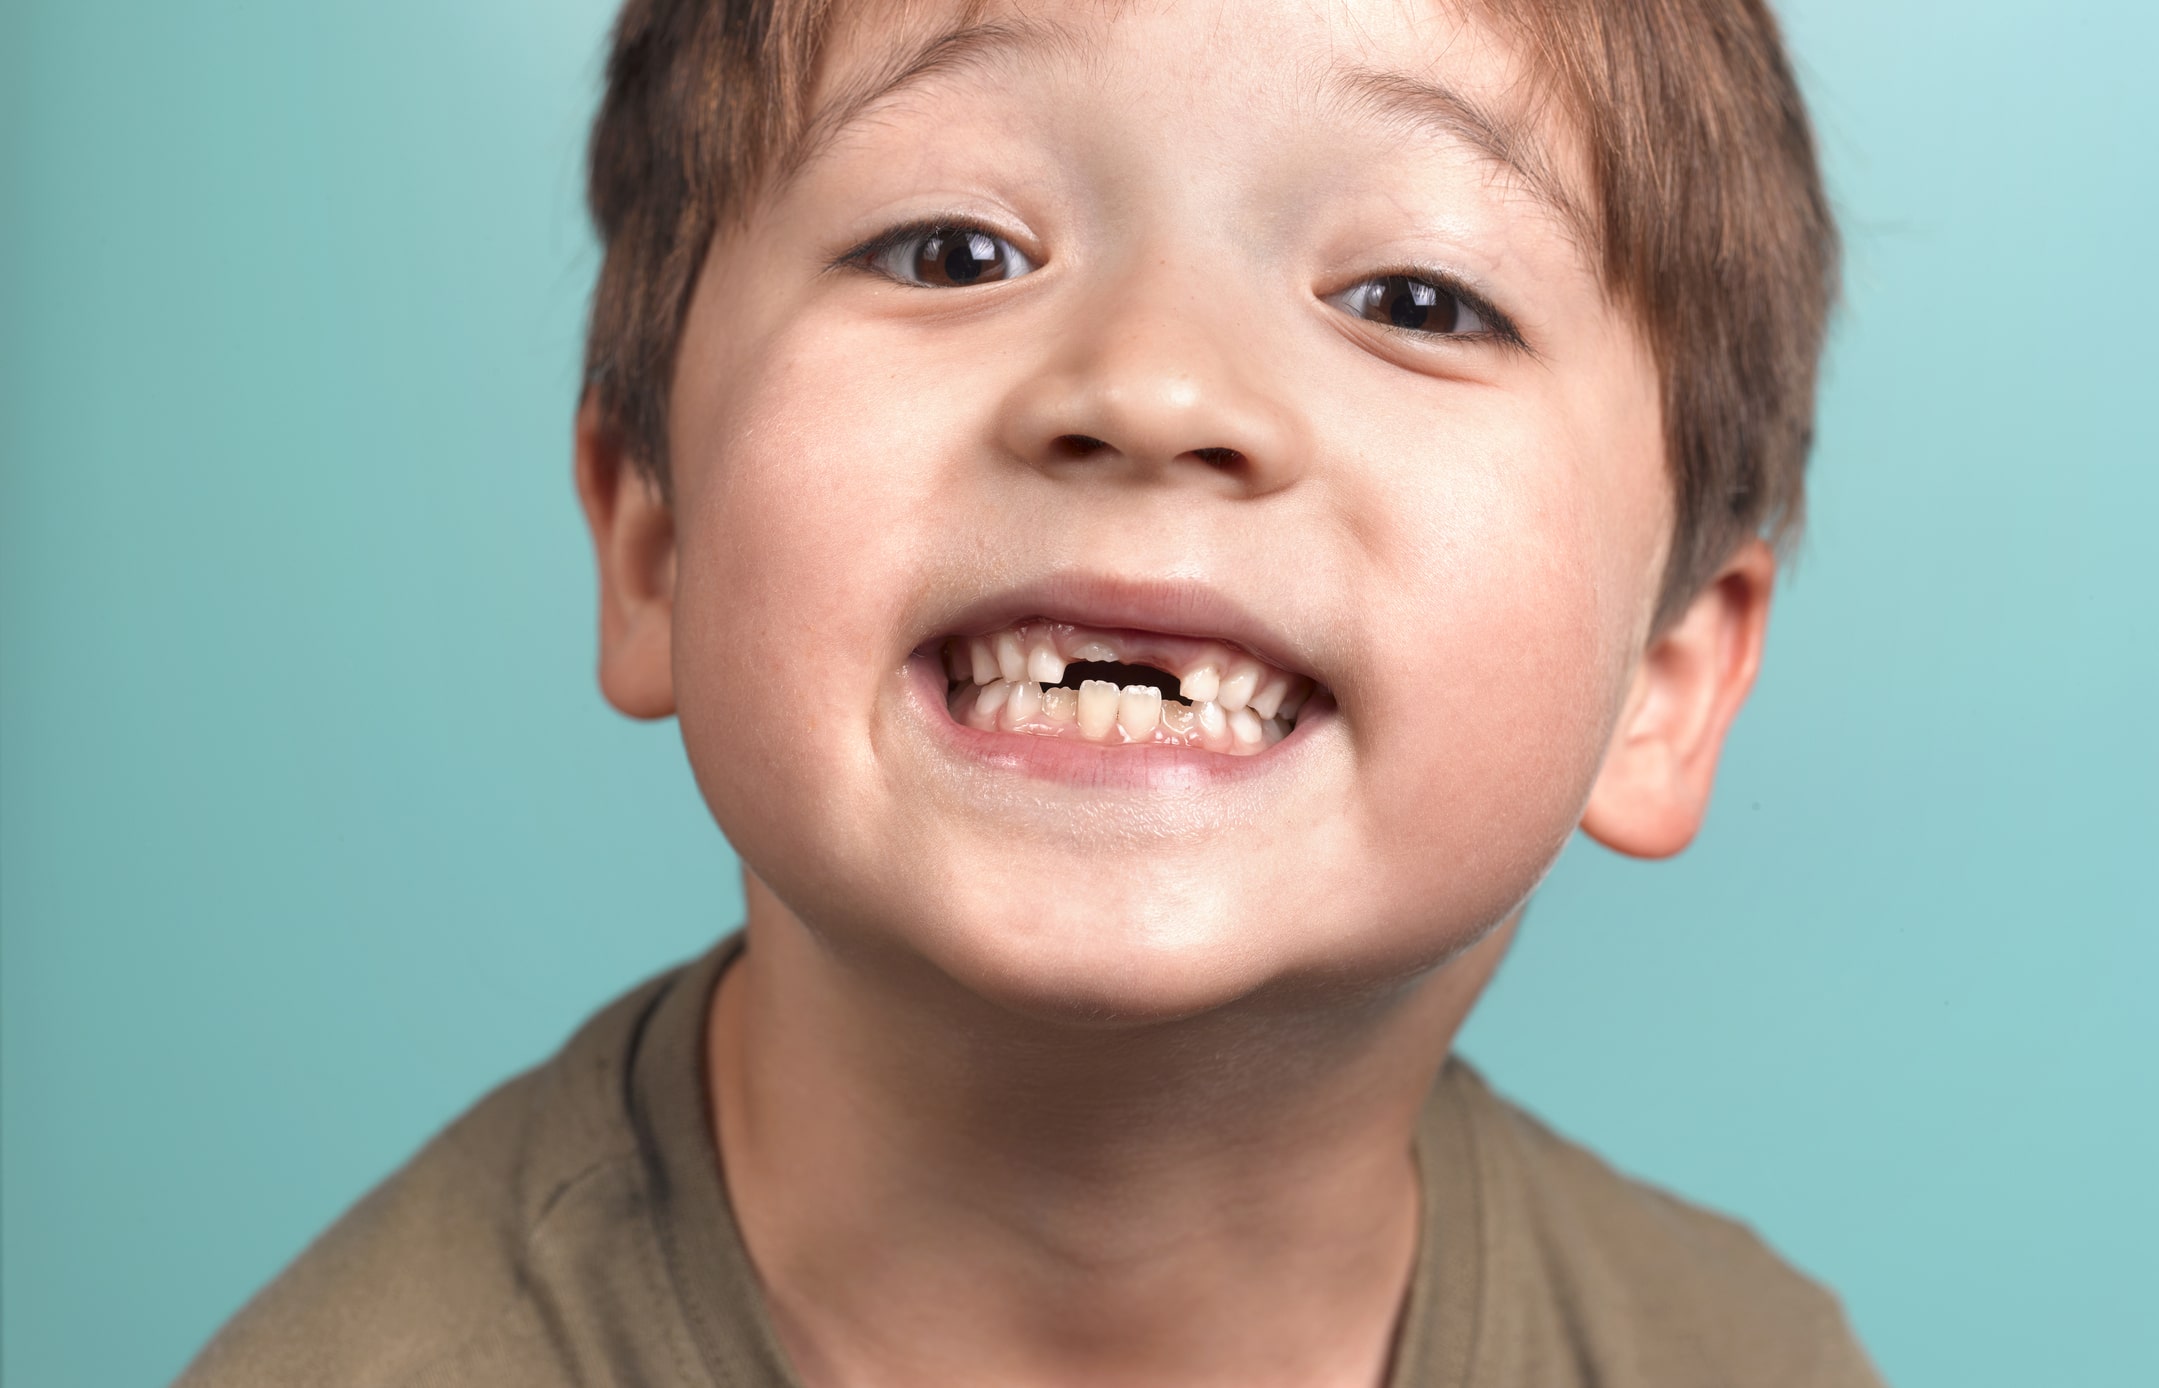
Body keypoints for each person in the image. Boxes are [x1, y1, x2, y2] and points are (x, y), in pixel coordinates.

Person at [178, 0, 1881, 1383]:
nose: (1148, 385)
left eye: (1414, 299)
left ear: (1665, 677)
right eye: (950, 250)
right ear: (654, 541)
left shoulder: (1747, 1358)